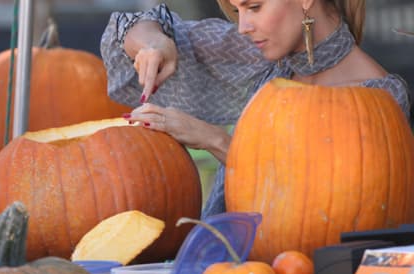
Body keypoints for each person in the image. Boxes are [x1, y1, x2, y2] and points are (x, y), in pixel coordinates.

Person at [100, 0, 412, 219]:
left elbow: (317, 204)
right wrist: (155, 44)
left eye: (254, 7)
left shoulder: (379, 97)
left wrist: (215, 140)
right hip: (227, 272)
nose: (242, 27)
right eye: (237, 10)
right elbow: (133, 26)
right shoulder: (260, 55)